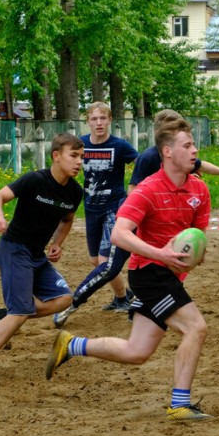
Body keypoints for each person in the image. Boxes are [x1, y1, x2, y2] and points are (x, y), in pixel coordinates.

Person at [46, 117, 214, 421]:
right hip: (149, 272)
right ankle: (179, 403)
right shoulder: (147, 190)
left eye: (194, 145)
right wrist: (160, 253)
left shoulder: (200, 192)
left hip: (168, 274)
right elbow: (119, 234)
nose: (194, 151)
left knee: (137, 352)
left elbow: (198, 239)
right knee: (196, 327)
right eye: (187, 145)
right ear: (167, 151)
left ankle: (72, 345)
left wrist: (194, 255)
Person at [51, 109, 219, 329]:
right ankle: (73, 303)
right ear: (164, 140)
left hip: (152, 225)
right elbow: (133, 191)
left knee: (163, 265)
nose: (189, 146)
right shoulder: (149, 157)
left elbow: (200, 164)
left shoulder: (180, 159)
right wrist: (142, 215)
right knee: (109, 268)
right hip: (132, 223)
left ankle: (138, 305)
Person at [0, 133, 84, 383]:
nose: (79, 161)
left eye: (82, 157)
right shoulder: (35, 180)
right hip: (13, 249)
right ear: (56, 156)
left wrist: (58, 243)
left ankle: (1, 316)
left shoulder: (74, 192)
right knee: (22, 310)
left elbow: (67, 219)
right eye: (74, 156)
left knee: (64, 299)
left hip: (37, 256)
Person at [78, 103, 138, 313]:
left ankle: (122, 300)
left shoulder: (120, 146)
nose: (99, 123)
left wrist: (137, 190)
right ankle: (123, 296)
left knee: (105, 261)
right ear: (88, 122)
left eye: (103, 118)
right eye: (94, 119)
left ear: (110, 120)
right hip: (90, 209)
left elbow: (141, 163)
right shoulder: (81, 144)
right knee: (95, 260)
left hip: (114, 209)